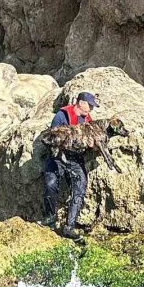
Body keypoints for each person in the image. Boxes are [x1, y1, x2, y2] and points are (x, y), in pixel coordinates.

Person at [39, 92, 98, 240]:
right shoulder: (61, 116)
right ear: (81, 103)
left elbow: (91, 141)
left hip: (75, 159)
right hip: (57, 155)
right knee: (50, 183)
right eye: (90, 105)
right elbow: (51, 137)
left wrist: (92, 146)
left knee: (80, 187)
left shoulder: (87, 120)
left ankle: (69, 227)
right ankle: (50, 218)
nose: (91, 109)